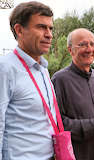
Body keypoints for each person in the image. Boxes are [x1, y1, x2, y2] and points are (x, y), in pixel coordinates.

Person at [0, 1, 56, 160]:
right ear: (19, 30)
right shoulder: (5, 68)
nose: (49, 34)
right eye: (41, 27)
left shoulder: (43, 69)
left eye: (50, 28)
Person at [51, 28, 94, 160]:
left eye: (92, 44)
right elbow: (58, 125)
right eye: (82, 45)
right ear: (70, 50)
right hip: (76, 154)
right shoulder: (60, 80)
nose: (89, 49)